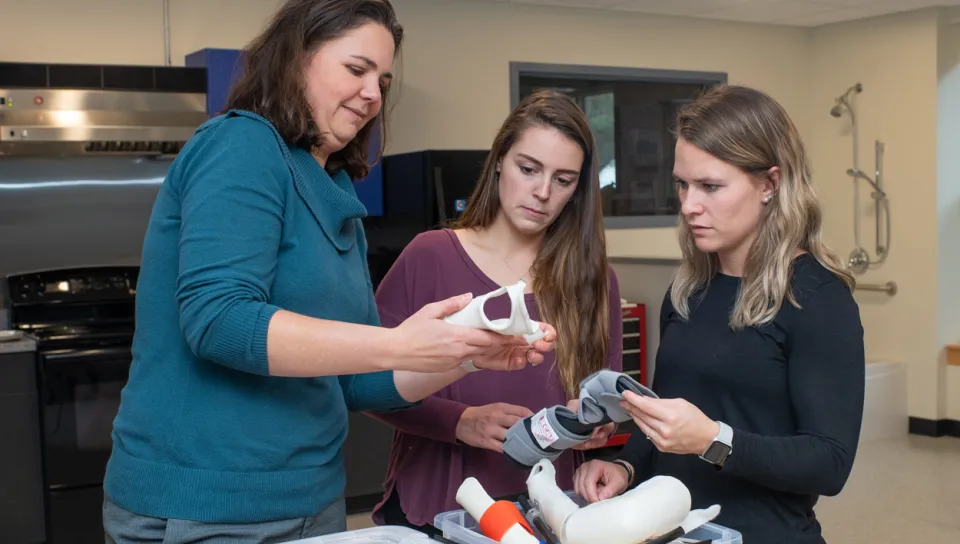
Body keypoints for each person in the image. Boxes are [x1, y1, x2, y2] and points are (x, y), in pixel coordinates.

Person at [100, 1, 555, 542]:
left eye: (382, 80)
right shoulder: (241, 145)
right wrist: (399, 344)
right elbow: (219, 321)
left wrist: (463, 355)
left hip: (309, 502)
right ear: (297, 58)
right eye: (356, 69)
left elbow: (358, 383)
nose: (373, 95)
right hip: (204, 506)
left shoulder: (335, 192)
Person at [573, 85, 865, 544]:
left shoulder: (817, 299)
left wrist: (715, 439)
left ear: (770, 183)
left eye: (710, 186)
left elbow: (829, 465)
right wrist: (626, 464)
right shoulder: (689, 290)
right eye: (683, 184)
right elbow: (664, 422)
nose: (689, 205)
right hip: (672, 532)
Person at [365, 89, 624, 536]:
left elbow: (608, 395)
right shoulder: (431, 256)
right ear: (500, 159)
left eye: (563, 180)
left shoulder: (594, 281)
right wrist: (459, 421)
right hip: (440, 505)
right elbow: (366, 384)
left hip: (552, 510)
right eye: (528, 169)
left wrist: (599, 425)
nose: (542, 193)